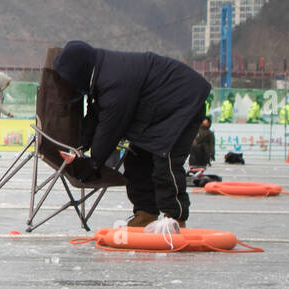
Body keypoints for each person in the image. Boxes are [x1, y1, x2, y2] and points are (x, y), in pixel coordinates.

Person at [53, 40, 211, 231]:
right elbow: (95, 114)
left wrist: (94, 163)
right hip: (156, 109)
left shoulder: (113, 81)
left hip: (183, 101)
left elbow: (110, 127)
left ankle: (175, 219)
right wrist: (80, 146)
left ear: (79, 74)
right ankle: (146, 214)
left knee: (166, 161)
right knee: (137, 160)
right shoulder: (101, 74)